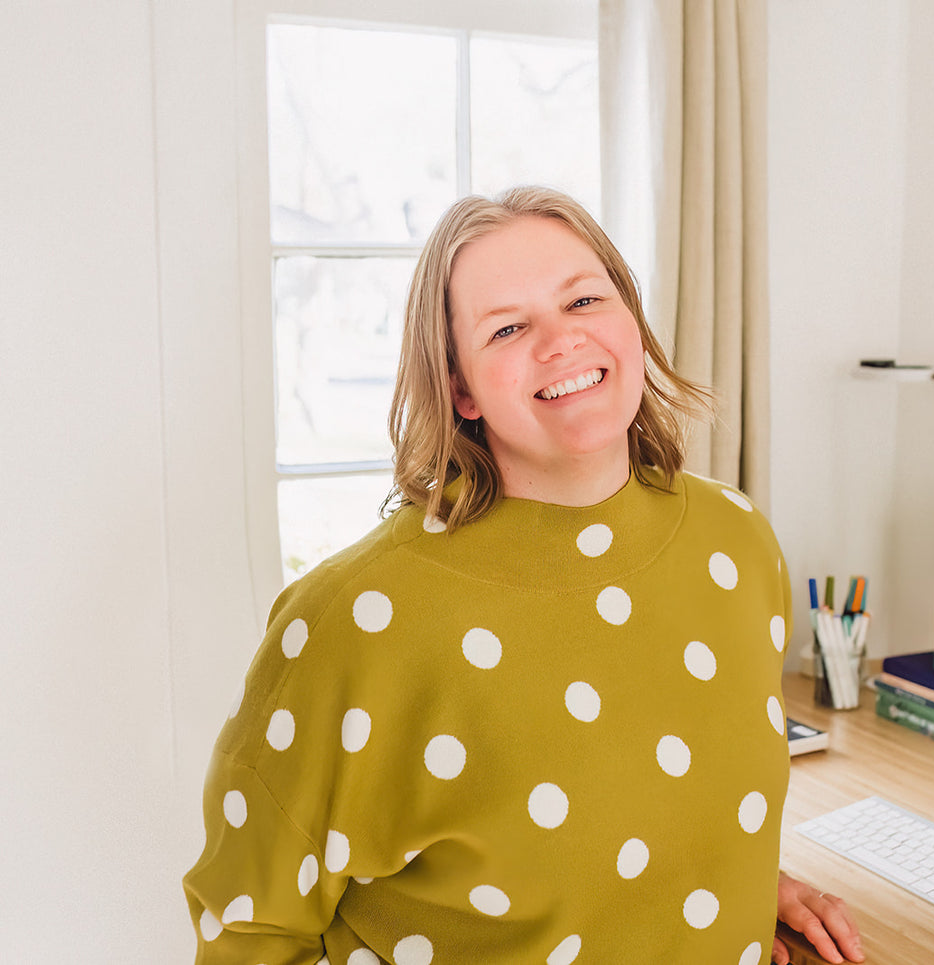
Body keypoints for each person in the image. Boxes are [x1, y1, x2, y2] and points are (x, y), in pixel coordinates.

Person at [183, 186, 865, 965]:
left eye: (583, 299)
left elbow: (641, 800)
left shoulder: (737, 541)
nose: (561, 340)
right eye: (507, 327)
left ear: (631, 325)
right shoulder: (354, 617)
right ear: (460, 387)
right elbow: (248, 932)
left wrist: (739, 886)